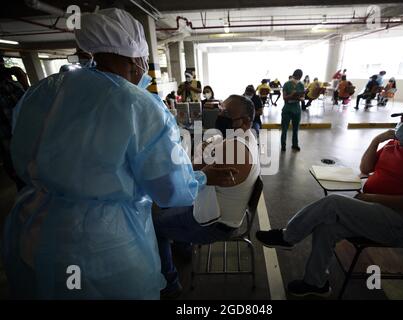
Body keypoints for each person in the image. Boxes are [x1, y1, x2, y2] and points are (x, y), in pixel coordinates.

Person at [2, 8, 236, 300]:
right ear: (136, 59)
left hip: (31, 229)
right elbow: (169, 191)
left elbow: (23, 149)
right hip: (100, 244)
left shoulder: (43, 90)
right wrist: (201, 177)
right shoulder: (138, 105)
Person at [256, 104, 403, 297]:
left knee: (334, 203)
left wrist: (370, 197)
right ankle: (316, 283)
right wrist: (376, 140)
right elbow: (366, 168)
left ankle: (288, 236)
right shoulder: (393, 145)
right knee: (326, 228)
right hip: (375, 212)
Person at [153, 95, 260, 297]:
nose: (220, 114)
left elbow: (190, 172)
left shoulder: (235, 148)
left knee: (156, 226)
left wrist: (204, 150)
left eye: (227, 113)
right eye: (220, 109)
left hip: (216, 224)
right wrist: (206, 149)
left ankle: (170, 282)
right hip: (221, 210)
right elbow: (206, 153)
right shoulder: (246, 137)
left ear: (244, 121)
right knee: (171, 205)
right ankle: (183, 245)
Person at [0, 53, 27, 191]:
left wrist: (23, 80)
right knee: (25, 186)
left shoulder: (12, 85)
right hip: (11, 149)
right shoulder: (9, 86)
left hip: (26, 145)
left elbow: (31, 109)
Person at [281, 69, 304, 152]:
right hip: (288, 108)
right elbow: (284, 98)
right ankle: (284, 145)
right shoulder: (287, 84)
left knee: (295, 128)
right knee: (285, 128)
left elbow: (302, 97)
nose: (298, 78)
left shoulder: (301, 84)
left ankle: (295, 144)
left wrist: (299, 98)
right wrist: (292, 95)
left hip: (296, 108)